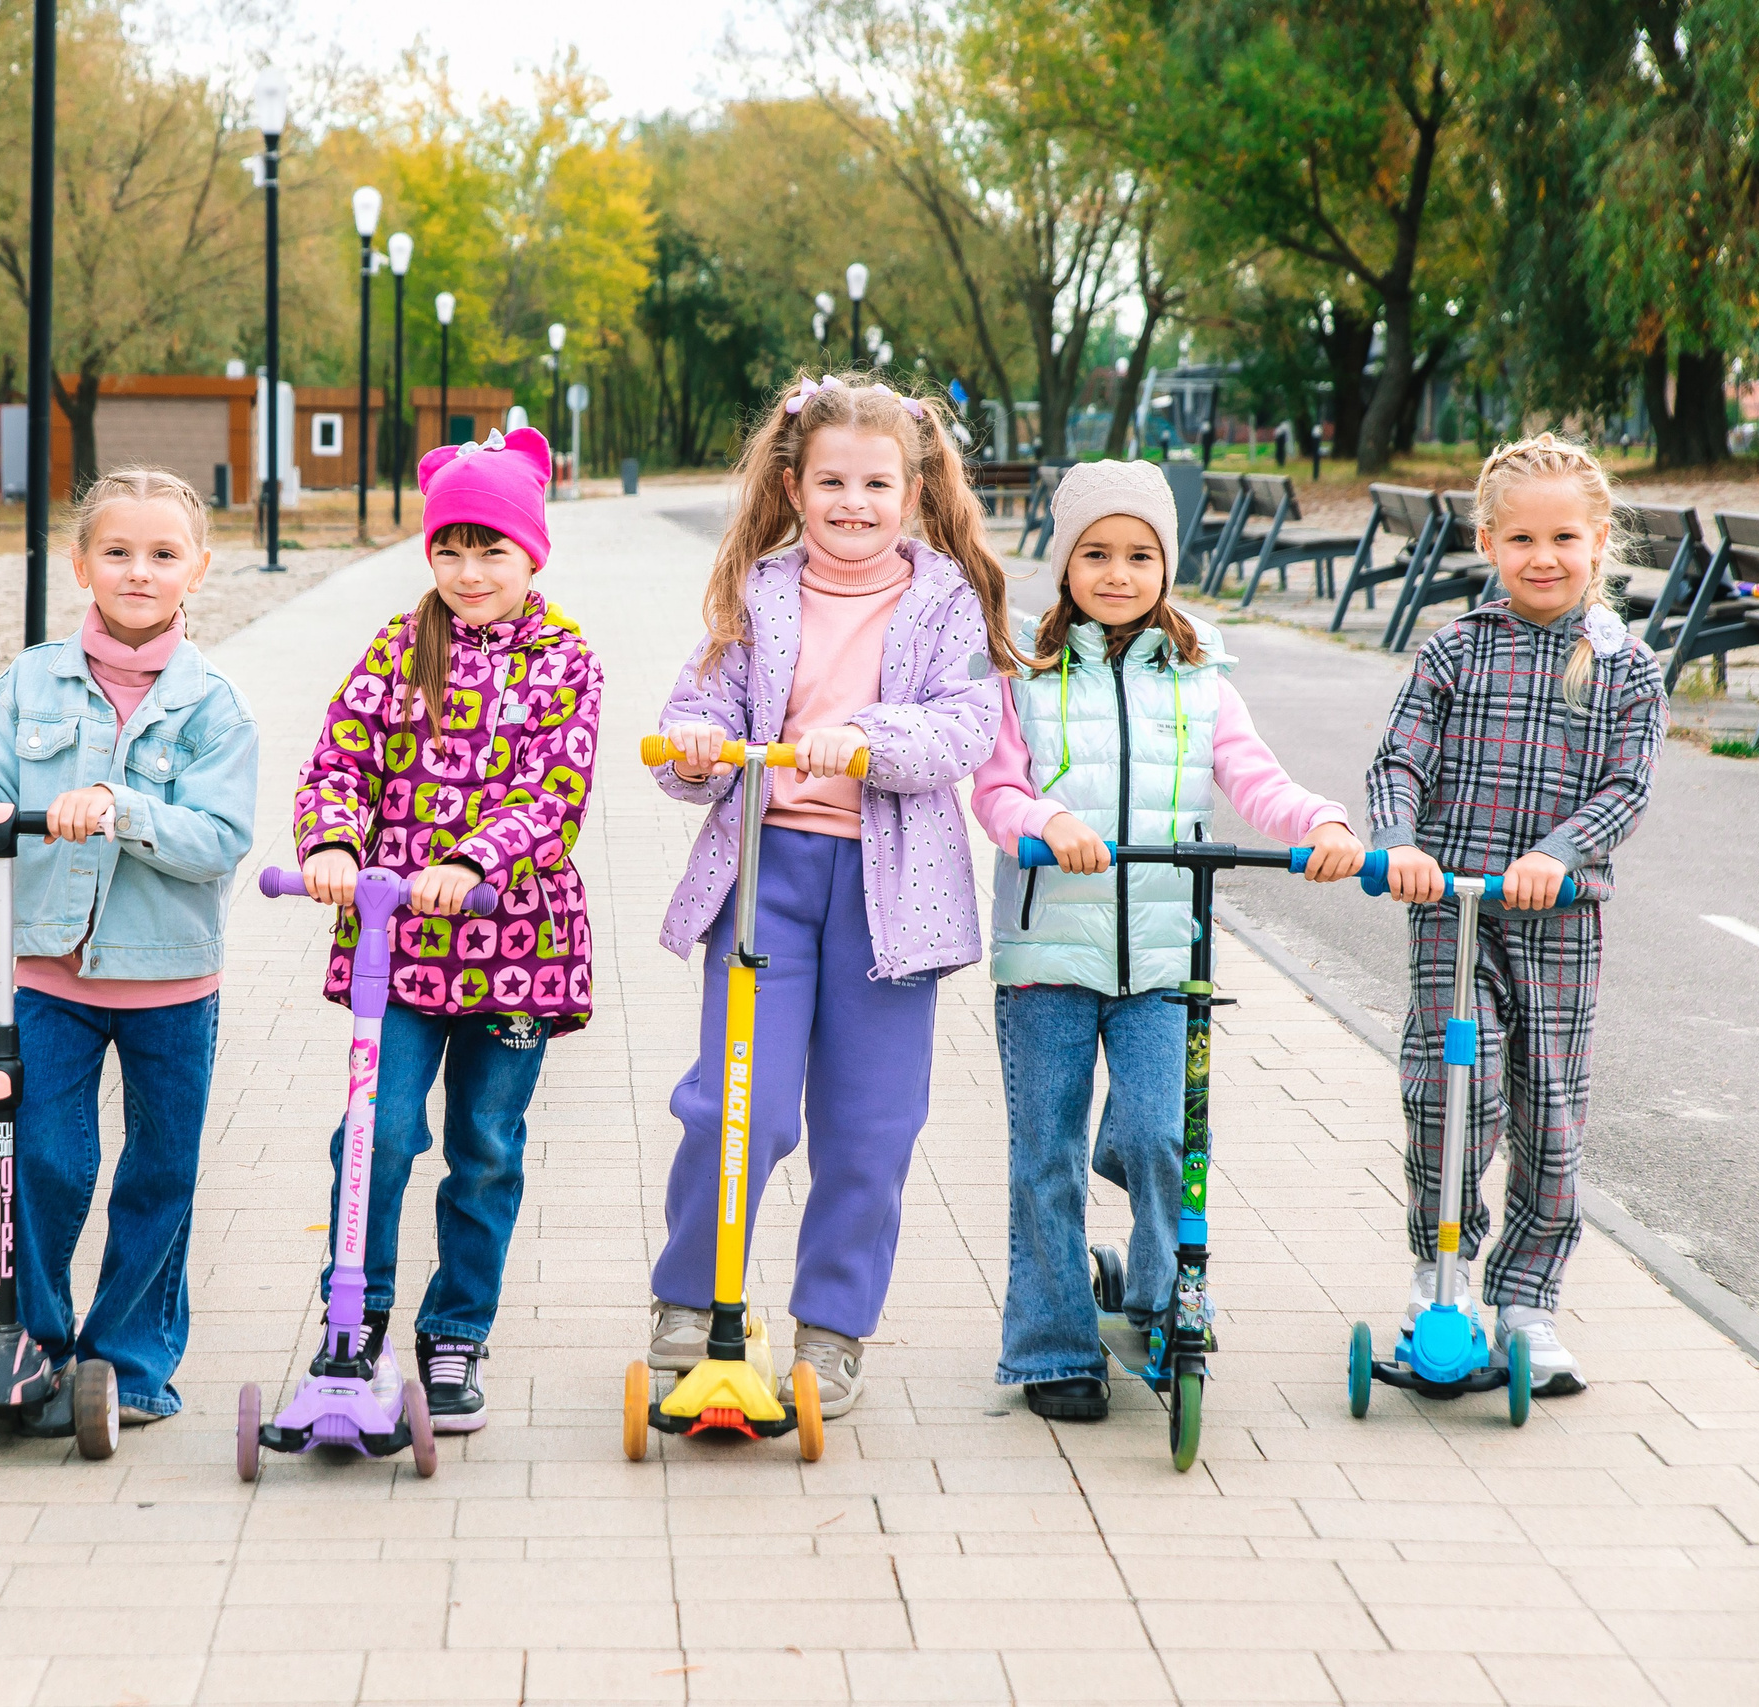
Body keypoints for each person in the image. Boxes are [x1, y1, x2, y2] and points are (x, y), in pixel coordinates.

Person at [646, 373, 1010, 1418]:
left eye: (877, 485)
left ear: (914, 491)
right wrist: (702, 748)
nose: (854, 504)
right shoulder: (756, 590)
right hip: (768, 875)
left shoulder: (943, 597)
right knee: (734, 1103)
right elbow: (689, 721)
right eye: (833, 483)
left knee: (872, 1122)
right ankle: (688, 1299)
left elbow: (962, 727)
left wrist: (869, 737)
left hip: (893, 893)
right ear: (796, 487)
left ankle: (833, 1326)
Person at [971, 459, 1364, 1420]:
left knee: (1159, 1134)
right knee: (1045, 1155)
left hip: (1160, 956)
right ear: (1064, 563)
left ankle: (1157, 1293)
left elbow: (1255, 777)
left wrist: (1319, 823)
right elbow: (994, 789)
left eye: (1139, 554)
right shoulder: (1023, 670)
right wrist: (1042, 822)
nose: (1117, 572)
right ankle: (1052, 1343)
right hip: (1047, 957)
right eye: (1095, 553)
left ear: (1166, 564)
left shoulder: (1200, 677)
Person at [0, 467, 257, 1423]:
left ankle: (132, 1360)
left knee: (160, 1172)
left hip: (170, 977)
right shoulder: (30, 681)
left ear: (198, 570)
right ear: (80, 564)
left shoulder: (214, 706)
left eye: (161, 554)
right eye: (117, 552)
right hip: (45, 970)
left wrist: (122, 808)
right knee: (31, 1152)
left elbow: (220, 838)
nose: (138, 572)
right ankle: (37, 1340)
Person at [290, 426, 601, 1433]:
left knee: (484, 1144)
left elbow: (554, 793)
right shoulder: (396, 645)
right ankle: (359, 1320)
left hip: (516, 949)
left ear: (531, 554)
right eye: (450, 550)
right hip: (399, 949)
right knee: (375, 1134)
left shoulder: (564, 660)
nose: (469, 573)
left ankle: (456, 1328)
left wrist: (470, 862)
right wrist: (332, 845)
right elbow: (338, 761)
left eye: (492, 551)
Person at [1367, 432, 1664, 1395]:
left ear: (1598, 539)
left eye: (1565, 537)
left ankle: (1529, 1296)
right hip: (1456, 914)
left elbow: (1625, 787)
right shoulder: (1453, 649)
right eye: (1523, 538)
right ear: (1488, 541)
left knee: (1551, 1116)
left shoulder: (1628, 668)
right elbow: (1399, 760)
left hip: (1562, 920)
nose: (1546, 557)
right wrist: (1398, 841)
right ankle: (1437, 1272)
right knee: (1454, 1091)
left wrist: (1557, 855)